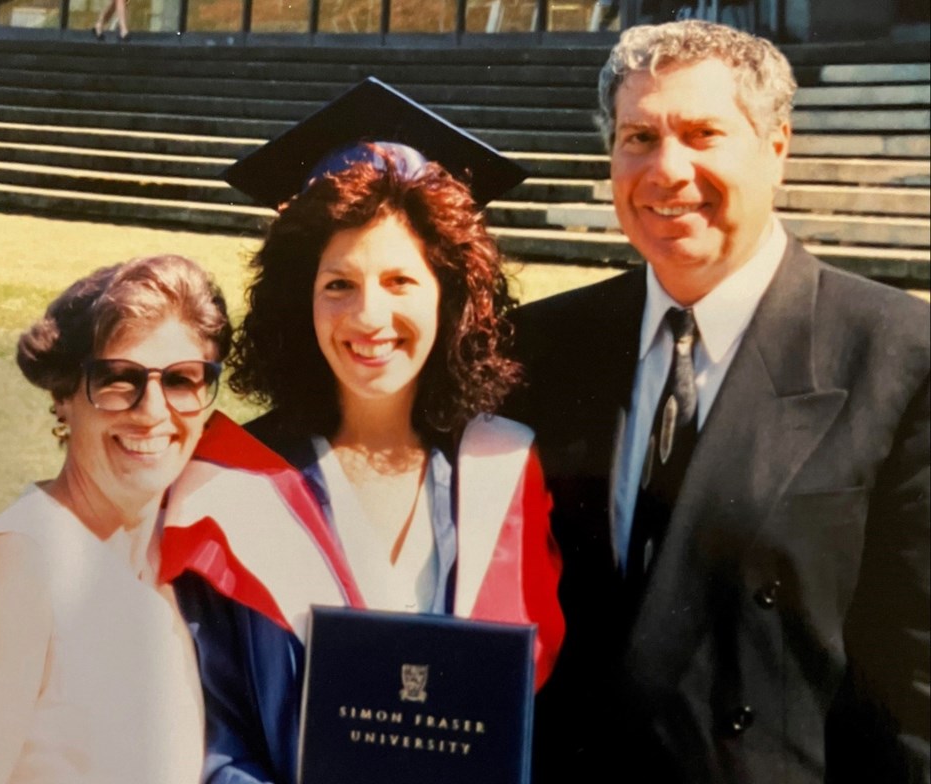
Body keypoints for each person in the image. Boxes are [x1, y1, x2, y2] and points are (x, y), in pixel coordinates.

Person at [511, 20, 930, 784]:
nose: (667, 170)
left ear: (777, 150)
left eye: (703, 134)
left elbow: (917, 679)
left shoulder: (897, 356)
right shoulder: (540, 347)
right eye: (638, 137)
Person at [160, 78, 565, 783]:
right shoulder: (229, 482)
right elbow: (208, 733)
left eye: (402, 282)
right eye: (338, 284)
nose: (369, 317)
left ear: (451, 297)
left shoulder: (502, 473)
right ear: (300, 301)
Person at [0, 254, 231, 784]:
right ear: (63, 396)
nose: (152, 411)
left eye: (181, 380)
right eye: (117, 379)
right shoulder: (20, 569)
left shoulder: (176, 559)